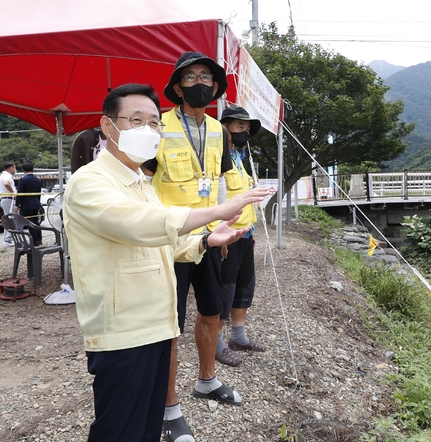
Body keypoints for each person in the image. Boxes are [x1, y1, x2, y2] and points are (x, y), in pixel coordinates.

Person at [63, 83, 269, 442]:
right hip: (123, 331)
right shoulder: (90, 182)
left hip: (158, 326)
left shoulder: (143, 183)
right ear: (108, 126)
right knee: (119, 429)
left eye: (155, 123)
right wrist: (218, 209)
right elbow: (138, 226)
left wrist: (205, 239)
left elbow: (163, 242)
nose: (148, 130)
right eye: (136, 120)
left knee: (145, 426)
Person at [144, 51, 236, 442]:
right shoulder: (156, 127)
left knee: (213, 313)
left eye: (206, 77)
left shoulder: (219, 130)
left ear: (215, 87)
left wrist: (224, 227)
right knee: (171, 325)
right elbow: (143, 184)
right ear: (178, 86)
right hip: (171, 240)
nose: (199, 82)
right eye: (190, 76)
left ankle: (206, 380)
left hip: (210, 238)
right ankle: (168, 408)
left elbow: (218, 183)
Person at [215, 105, 266, 368]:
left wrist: (252, 231)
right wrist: (218, 234)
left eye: (247, 129)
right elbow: (214, 197)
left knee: (244, 287)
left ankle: (238, 336)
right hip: (227, 235)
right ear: (225, 128)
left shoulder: (239, 158)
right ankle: (217, 342)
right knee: (224, 289)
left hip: (246, 234)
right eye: (239, 127)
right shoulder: (217, 157)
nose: (244, 132)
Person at [15, 163, 43, 246]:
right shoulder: (38, 180)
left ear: (23, 170)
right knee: (36, 222)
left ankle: (34, 241)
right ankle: (39, 239)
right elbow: (39, 193)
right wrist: (38, 203)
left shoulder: (23, 180)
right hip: (36, 203)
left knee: (30, 223)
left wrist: (17, 205)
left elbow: (20, 193)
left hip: (27, 204)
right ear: (33, 169)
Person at [0, 161, 16, 246]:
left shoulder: (4, 175)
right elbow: (6, 183)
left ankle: (9, 239)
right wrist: (12, 192)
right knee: (10, 219)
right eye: (14, 168)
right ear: (11, 168)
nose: (14, 170)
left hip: (6, 199)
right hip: (8, 199)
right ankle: (8, 240)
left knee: (9, 219)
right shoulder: (6, 175)